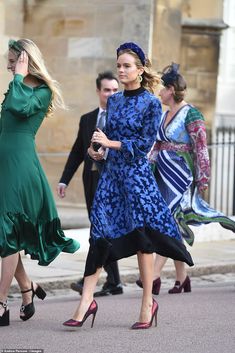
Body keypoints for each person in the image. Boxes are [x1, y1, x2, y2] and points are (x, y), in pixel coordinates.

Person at [62, 42, 193, 330]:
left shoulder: (150, 103)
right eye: (118, 65)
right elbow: (107, 139)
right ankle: (86, 302)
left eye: (127, 66)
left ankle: (147, 303)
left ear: (140, 69)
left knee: (143, 241)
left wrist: (112, 144)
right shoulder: (115, 101)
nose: (121, 70)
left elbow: (146, 144)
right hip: (111, 178)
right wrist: (99, 151)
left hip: (137, 179)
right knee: (100, 233)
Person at [136, 63, 235, 295]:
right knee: (174, 223)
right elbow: (156, 146)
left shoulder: (192, 113)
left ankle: (155, 274)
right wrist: (147, 170)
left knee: (170, 223)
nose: (159, 92)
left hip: (182, 177)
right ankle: (183, 279)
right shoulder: (163, 114)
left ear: (171, 90)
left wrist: (203, 179)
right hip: (163, 175)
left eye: (162, 88)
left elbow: (201, 148)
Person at [0, 39, 80, 326]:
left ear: (26, 60)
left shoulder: (41, 91)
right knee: (7, 233)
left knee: (7, 230)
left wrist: (19, 75)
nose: (9, 65)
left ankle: (0, 304)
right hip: (3, 164)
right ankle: (28, 288)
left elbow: (19, 109)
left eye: (13, 60)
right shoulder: (16, 86)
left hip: (21, 167)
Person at [57, 71, 123, 297]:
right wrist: (64, 179)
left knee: (102, 229)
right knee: (100, 229)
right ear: (98, 91)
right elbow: (77, 151)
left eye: (115, 90)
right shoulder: (87, 119)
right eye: (107, 90)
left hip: (113, 181)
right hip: (91, 179)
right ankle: (113, 281)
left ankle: (94, 278)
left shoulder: (123, 117)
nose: (111, 94)